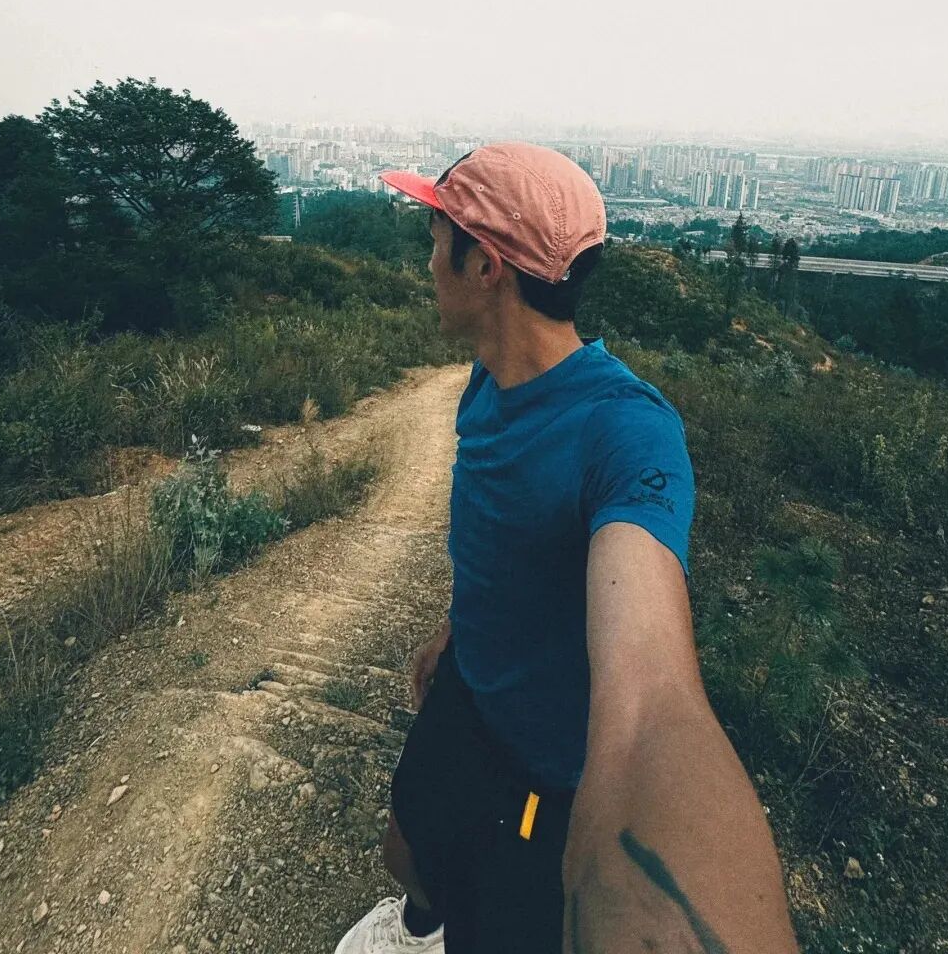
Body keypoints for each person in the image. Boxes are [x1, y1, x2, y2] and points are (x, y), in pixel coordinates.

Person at [333, 143, 798, 954]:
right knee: (406, 850)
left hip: (544, 774)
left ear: (486, 267)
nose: (428, 261)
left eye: (438, 241)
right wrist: (458, 629)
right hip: (468, 694)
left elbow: (651, 695)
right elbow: (502, 542)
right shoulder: (488, 379)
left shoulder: (625, 431)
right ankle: (418, 924)